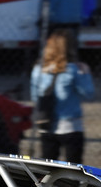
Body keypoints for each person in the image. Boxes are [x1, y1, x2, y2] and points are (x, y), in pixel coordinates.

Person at [30, 29, 95, 164]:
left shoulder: (38, 70)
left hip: (46, 123)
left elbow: (35, 97)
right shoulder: (74, 70)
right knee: (74, 167)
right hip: (70, 125)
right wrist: (85, 73)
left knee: (48, 166)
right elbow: (88, 93)